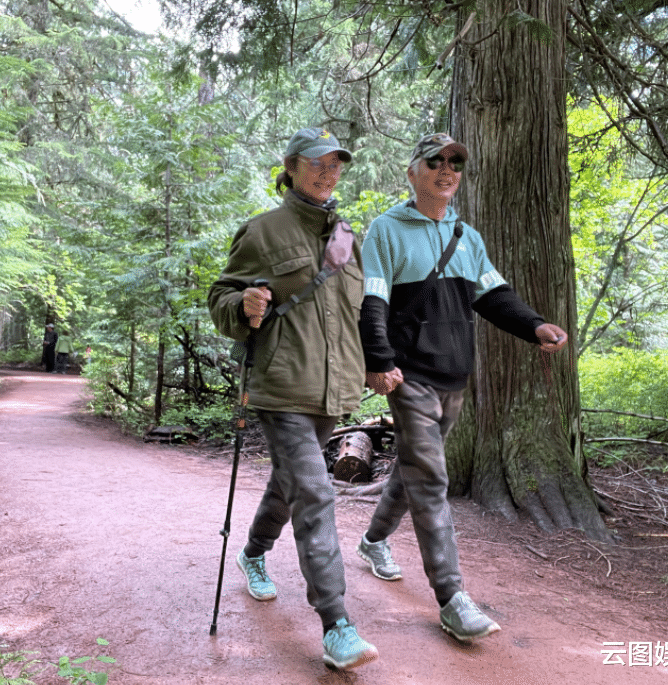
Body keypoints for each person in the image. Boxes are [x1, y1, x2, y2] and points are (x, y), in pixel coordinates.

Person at [355, 132, 569, 643]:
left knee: (414, 471)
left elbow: (494, 294)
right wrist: (379, 360)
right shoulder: (385, 231)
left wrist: (534, 325)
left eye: (455, 163)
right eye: (436, 161)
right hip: (408, 376)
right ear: (413, 172)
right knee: (431, 479)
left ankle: (372, 540)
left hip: (456, 375)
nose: (447, 169)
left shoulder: (467, 237)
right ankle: (452, 598)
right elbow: (373, 302)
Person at [208, 127, 378, 670]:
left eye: (335, 166)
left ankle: (254, 552)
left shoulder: (351, 238)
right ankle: (337, 626)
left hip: (332, 389)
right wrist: (245, 305)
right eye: (316, 164)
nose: (327, 174)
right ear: (291, 167)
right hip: (280, 387)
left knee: (290, 483)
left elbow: (363, 313)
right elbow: (221, 296)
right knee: (314, 491)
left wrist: (379, 364)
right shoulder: (263, 230)